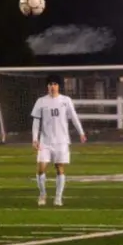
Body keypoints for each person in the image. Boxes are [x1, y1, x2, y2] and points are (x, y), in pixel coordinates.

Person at [30, 75, 87, 206]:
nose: (52, 86)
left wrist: (81, 132)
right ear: (47, 86)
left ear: (59, 86)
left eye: (55, 84)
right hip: (45, 141)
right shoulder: (41, 101)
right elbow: (36, 121)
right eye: (50, 84)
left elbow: (74, 117)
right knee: (41, 168)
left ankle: (58, 197)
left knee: (60, 168)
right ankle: (43, 194)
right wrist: (35, 138)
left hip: (62, 141)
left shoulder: (66, 100)